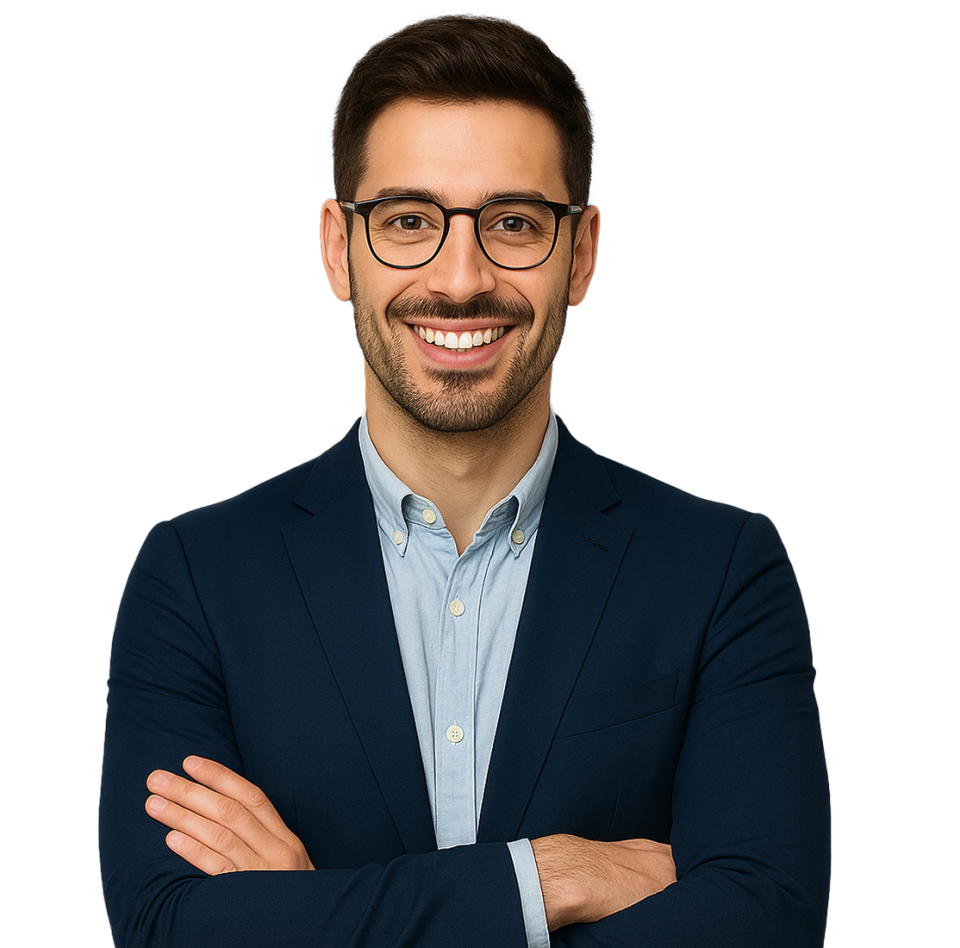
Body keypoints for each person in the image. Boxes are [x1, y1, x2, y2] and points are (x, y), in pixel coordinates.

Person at [99, 13, 830, 947]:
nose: (459, 278)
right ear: (337, 248)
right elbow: (165, 927)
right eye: (409, 221)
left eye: (514, 223)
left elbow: (765, 923)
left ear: (583, 253)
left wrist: (309, 913)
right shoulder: (195, 575)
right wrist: (546, 877)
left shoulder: (725, 569)